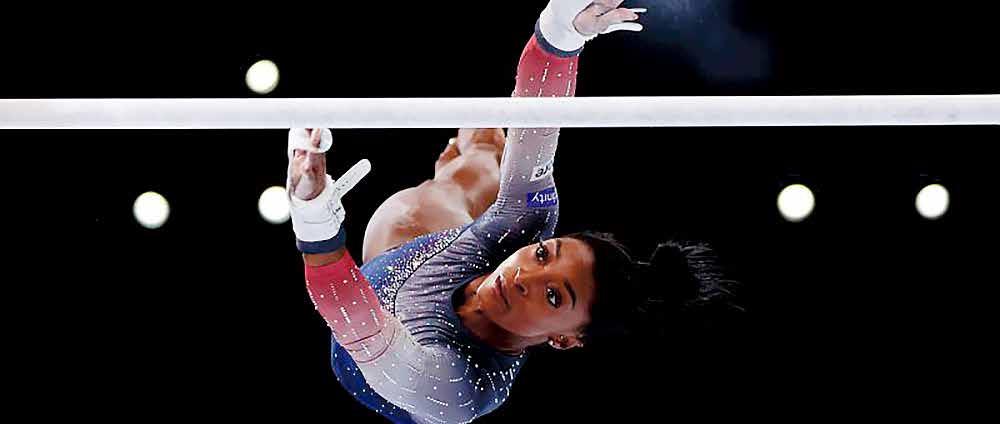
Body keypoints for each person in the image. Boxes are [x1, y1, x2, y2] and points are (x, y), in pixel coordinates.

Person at [285, 1, 740, 422]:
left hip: (376, 317)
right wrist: (561, 34)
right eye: (543, 254)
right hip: (435, 245)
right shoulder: (525, 228)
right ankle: (480, 149)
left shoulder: (460, 388)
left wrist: (314, 217)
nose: (524, 276)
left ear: (565, 339)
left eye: (554, 296)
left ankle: (473, 162)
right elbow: (537, 120)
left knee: (416, 208)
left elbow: (358, 328)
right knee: (484, 168)